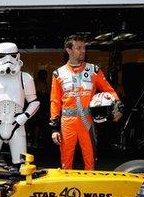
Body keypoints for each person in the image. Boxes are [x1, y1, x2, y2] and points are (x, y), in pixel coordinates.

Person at [50, 35, 122, 170]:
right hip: (67, 122)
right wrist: (54, 128)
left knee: (90, 160)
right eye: (79, 48)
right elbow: (54, 102)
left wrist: (118, 106)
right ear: (68, 50)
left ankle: (90, 188)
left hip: (87, 121)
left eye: (84, 48)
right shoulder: (58, 74)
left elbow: (109, 90)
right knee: (66, 161)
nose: (83, 51)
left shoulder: (93, 70)